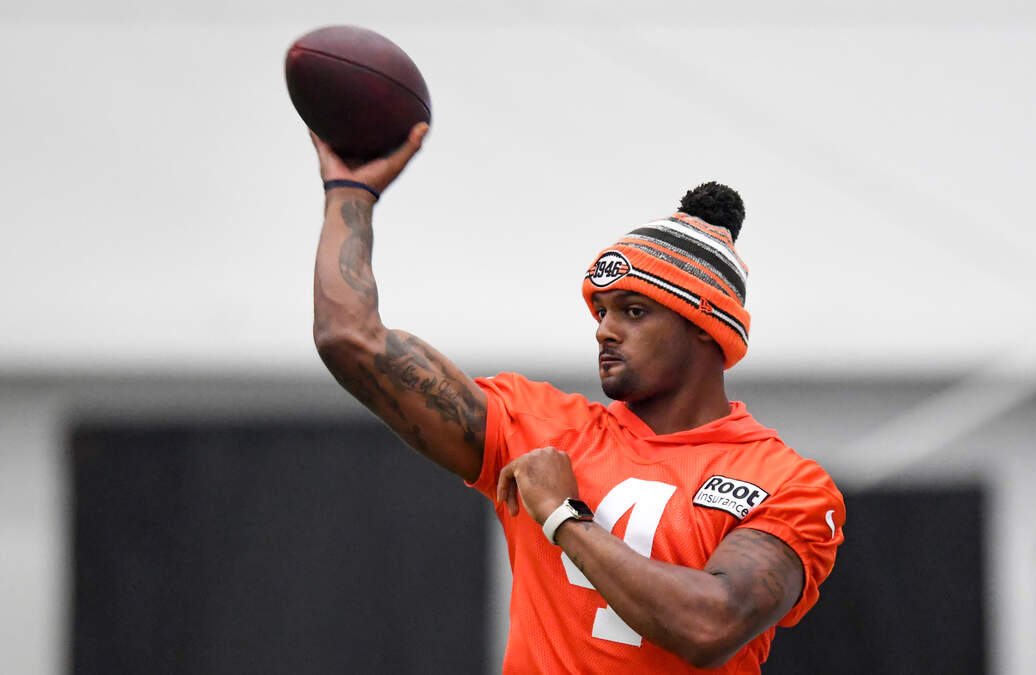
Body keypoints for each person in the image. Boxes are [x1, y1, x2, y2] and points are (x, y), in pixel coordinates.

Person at [308, 123, 845, 674]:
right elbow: (350, 341)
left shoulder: (789, 484)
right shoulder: (539, 427)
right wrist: (351, 195)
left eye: (634, 311)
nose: (605, 330)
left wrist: (565, 517)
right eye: (602, 311)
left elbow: (711, 626)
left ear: (707, 327)